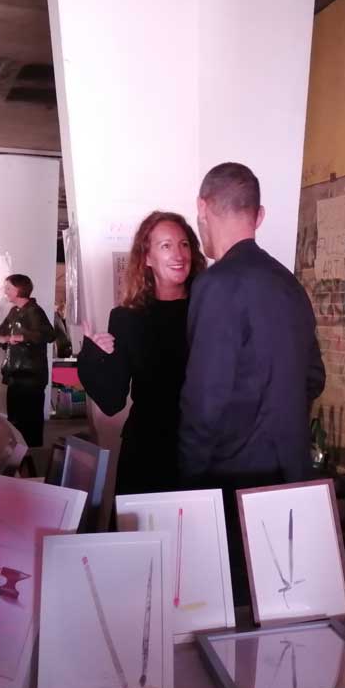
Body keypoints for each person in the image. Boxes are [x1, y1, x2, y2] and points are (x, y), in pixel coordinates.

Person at [178, 163, 325, 603]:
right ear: (258, 216)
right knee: (281, 598)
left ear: (202, 207)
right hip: (291, 472)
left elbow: (206, 399)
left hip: (230, 479)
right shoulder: (290, 285)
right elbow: (314, 377)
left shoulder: (216, 285)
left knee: (229, 605)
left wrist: (186, 480)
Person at [78, 211, 206, 494]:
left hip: (204, 450)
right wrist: (92, 356)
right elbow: (112, 401)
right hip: (148, 451)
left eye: (184, 244)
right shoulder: (126, 318)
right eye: (166, 246)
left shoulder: (210, 310)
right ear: (147, 257)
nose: (178, 255)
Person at [0, 274, 51, 447]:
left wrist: (21, 337)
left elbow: (48, 334)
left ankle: (32, 453)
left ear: (19, 289)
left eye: (8, 288)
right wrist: (4, 339)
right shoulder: (14, 312)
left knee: (30, 419)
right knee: (15, 418)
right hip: (15, 373)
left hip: (31, 375)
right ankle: (18, 453)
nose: (5, 291)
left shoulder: (34, 311)